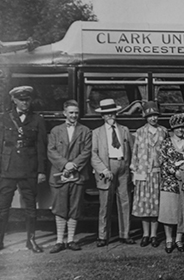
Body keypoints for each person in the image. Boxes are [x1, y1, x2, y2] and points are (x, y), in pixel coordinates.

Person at [0, 86, 47, 252]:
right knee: (3, 207)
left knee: (31, 207)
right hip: (8, 168)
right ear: (14, 100)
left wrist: (41, 171)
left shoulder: (37, 120)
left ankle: (31, 241)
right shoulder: (4, 118)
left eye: (27, 100)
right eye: (21, 100)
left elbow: (41, 147)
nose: (25, 103)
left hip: (29, 169)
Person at [46, 100, 91, 253]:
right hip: (59, 175)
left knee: (74, 207)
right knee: (60, 207)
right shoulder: (55, 130)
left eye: (76, 113)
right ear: (65, 113)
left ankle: (71, 240)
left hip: (77, 175)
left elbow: (86, 151)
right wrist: (65, 165)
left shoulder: (85, 131)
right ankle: (59, 241)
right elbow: (51, 151)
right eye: (71, 112)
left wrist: (74, 165)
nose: (74, 115)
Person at [91, 98, 134, 247]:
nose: (110, 116)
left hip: (123, 166)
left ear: (116, 113)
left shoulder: (124, 130)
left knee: (125, 201)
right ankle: (103, 236)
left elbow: (132, 150)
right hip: (107, 167)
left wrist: (130, 168)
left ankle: (125, 234)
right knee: (105, 204)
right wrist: (103, 170)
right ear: (102, 116)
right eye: (106, 114)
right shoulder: (96, 133)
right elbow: (94, 155)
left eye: (112, 112)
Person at [158, 113, 184, 253]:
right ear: (172, 128)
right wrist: (173, 171)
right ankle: (169, 239)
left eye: (183, 127)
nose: (181, 130)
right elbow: (162, 162)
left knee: (182, 212)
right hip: (169, 182)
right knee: (168, 212)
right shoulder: (166, 143)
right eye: (178, 127)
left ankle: (179, 239)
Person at [130, 101, 168, 247]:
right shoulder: (140, 132)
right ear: (146, 117)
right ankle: (145, 234)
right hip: (143, 173)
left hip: (157, 173)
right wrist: (134, 171)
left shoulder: (163, 131)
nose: (153, 119)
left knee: (156, 205)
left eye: (155, 116)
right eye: (150, 116)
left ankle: (154, 235)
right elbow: (135, 152)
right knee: (145, 205)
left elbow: (165, 152)